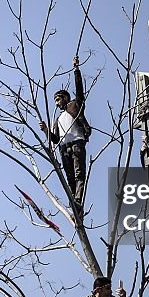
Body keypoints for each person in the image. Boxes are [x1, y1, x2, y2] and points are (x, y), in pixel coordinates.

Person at [39, 56, 91, 203]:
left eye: (58, 99)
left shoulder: (74, 105)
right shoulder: (57, 120)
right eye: (55, 101)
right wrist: (46, 131)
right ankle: (73, 201)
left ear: (66, 98)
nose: (57, 103)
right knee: (69, 177)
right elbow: (55, 139)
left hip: (76, 144)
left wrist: (76, 69)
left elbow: (80, 91)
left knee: (79, 173)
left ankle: (79, 198)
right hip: (64, 149)